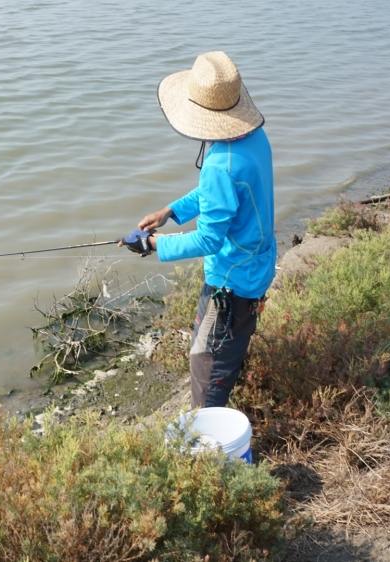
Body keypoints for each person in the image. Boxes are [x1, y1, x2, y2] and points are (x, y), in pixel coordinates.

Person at [121, 51, 276, 409]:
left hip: (231, 280)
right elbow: (219, 196)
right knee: (229, 346)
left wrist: (155, 244)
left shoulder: (220, 165)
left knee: (205, 362)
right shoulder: (253, 138)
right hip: (257, 265)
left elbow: (209, 238)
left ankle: (211, 442)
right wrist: (171, 211)